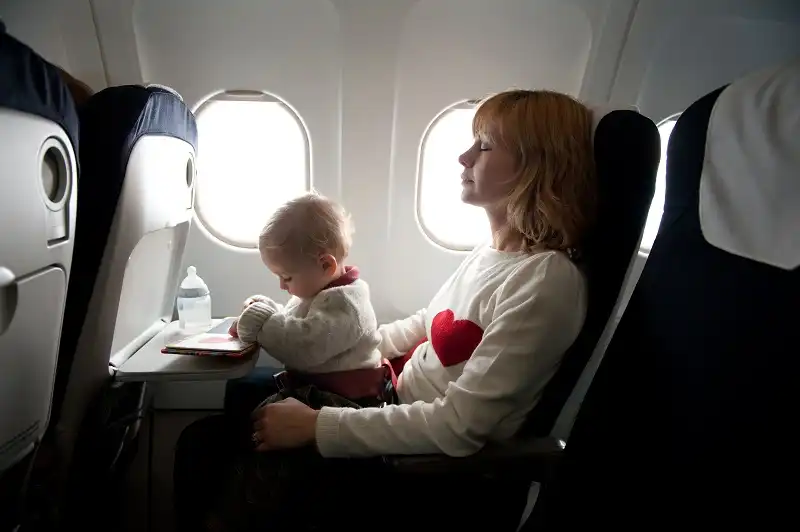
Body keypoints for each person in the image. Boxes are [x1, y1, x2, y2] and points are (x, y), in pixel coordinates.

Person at [174, 88, 598, 531]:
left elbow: (459, 425)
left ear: (536, 166)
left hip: (414, 467)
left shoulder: (546, 282)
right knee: (222, 419)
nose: (464, 157)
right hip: (385, 399)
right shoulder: (492, 253)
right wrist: (353, 352)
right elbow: (427, 325)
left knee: (205, 452)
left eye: (485, 146)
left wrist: (316, 425)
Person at [227, 192, 390, 415]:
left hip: (343, 399)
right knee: (240, 388)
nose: (282, 286)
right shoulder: (319, 289)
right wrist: (266, 309)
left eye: (287, 277)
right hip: (319, 386)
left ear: (325, 266)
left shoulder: (346, 305)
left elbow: (304, 346)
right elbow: (294, 320)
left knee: (262, 413)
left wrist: (261, 323)